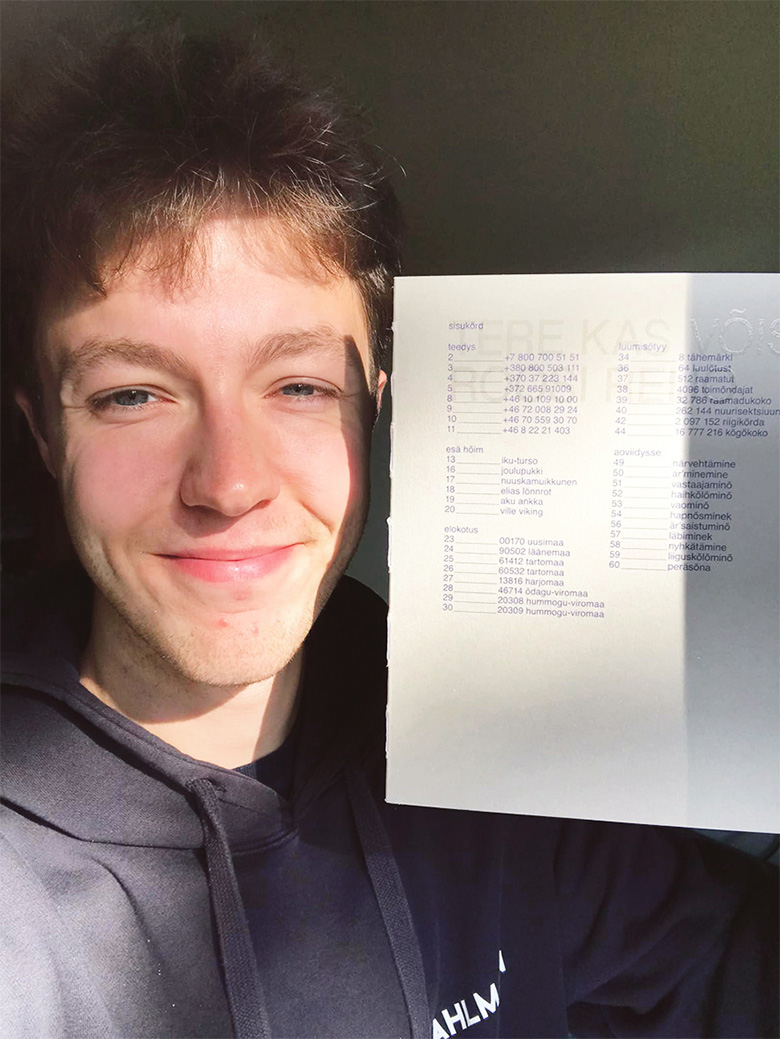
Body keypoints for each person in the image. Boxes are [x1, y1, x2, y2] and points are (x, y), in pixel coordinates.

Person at [1, 24, 777, 1039]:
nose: (228, 483)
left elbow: (726, 966)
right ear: (43, 435)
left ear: (374, 403)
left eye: (298, 386)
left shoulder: (487, 732)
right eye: (132, 394)